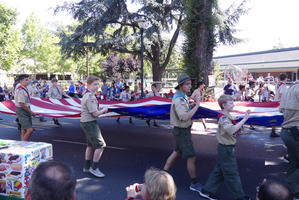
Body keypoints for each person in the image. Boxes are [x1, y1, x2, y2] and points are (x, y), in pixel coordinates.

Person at [199, 95, 251, 200]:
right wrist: (245, 119)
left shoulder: (227, 116)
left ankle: (207, 190)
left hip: (225, 148)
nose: (233, 104)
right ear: (224, 105)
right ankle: (239, 196)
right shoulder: (223, 118)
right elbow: (231, 130)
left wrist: (238, 118)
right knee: (232, 173)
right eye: (231, 103)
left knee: (219, 171)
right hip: (226, 149)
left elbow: (231, 121)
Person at [163, 73, 202, 193]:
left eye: (190, 83)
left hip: (181, 131)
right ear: (181, 85)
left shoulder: (182, 96)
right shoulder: (179, 99)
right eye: (187, 84)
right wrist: (197, 106)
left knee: (176, 152)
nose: (190, 86)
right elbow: (184, 117)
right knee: (191, 156)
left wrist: (191, 104)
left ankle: (161, 176)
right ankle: (194, 183)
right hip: (182, 131)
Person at [81, 75, 108, 178]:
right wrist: (104, 110)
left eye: (98, 84)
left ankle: (87, 167)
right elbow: (95, 114)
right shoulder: (90, 97)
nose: (97, 86)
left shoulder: (87, 94)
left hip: (86, 122)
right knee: (101, 145)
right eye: (95, 84)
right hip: (90, 123)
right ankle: (94, 168)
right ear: (88, 84)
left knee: (90, 145)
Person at [279, 80, 299, 199]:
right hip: (296, 132)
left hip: (287, 131)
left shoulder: (288, 89)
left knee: (294, 162)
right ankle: (293, 184)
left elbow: (281, 110)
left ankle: (294, 190)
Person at [14, 74, 36, 141]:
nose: (28, 81)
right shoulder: (20, 90)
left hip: (25, 109)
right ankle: (23, 145)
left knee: (24, 129)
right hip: (22, 110)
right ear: (21, 81)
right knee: (29, 130)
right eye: (26, 80)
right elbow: (22, 104)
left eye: (28, 79)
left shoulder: (24, 88)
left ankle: (23, 143)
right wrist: (31, 112)